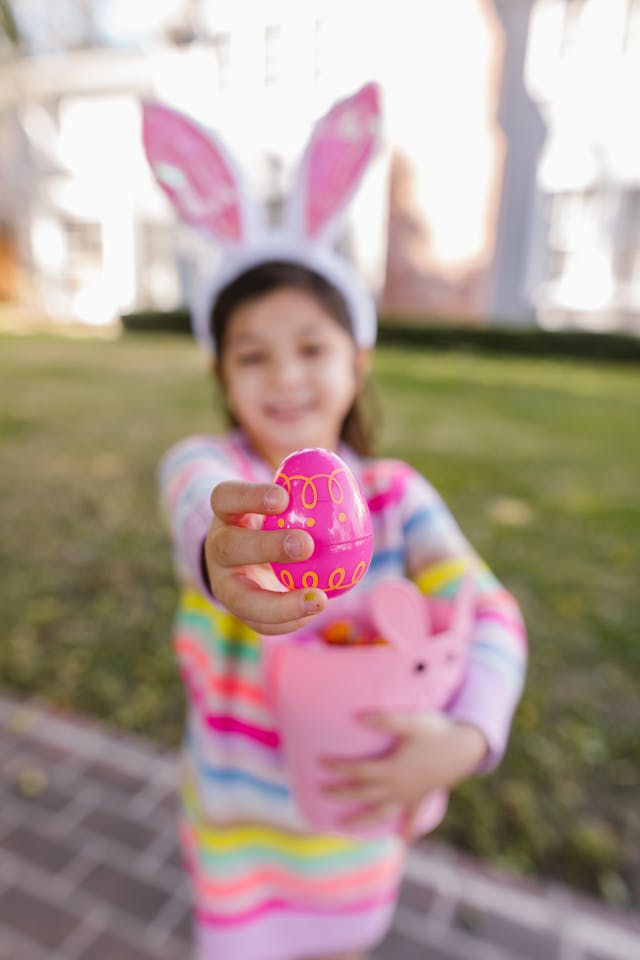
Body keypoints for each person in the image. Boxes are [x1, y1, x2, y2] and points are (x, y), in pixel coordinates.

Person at [144, 86, 527, 960]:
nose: (285, 377)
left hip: (354, 816)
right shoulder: (217, 476)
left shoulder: (396, 497)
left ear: (356, 362)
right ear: (224, 379)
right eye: (253, 355)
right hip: (238, 824)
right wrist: (220, 553)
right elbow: (193, 504)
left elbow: (489, 609)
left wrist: (470, 734)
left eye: (311, 348)